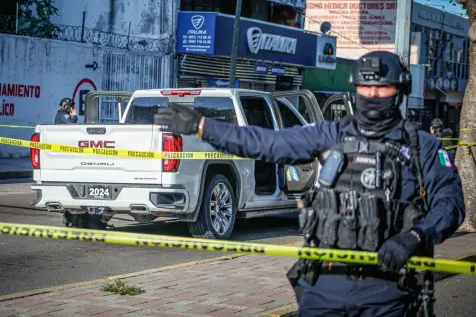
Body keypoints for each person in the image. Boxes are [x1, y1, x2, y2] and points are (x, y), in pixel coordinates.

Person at [153, 51, 465, 316]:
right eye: (365, 88)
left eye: (382, 89)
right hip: (324, 285)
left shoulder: (424, 147)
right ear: (354, 88)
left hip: (389, 290)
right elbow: (264, 143)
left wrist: (414, 237)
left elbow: (450, 205)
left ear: (400, 90)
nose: (372, 96)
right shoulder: (328, 134)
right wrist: (202, 126)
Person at [55, 97, 78, 227]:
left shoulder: (65, 114)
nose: (72, 108)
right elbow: (72, 122)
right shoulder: (62, 114)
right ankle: (68, 215)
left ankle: (70, 216)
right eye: (71, 106)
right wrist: (73, 113)